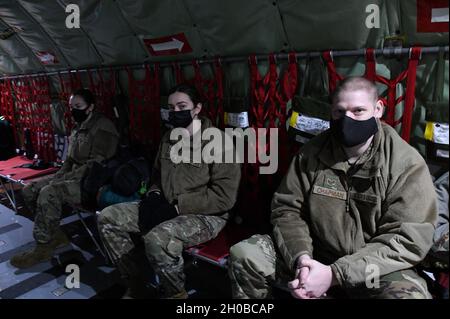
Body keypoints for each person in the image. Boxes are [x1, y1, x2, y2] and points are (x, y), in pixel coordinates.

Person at [229, 76, 437, 299]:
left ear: (378, 109)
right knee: (245, 255)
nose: (347, 120)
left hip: (372, 268)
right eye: (339, 112)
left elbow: (407, 238)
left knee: (408, 296)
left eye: (358, 111)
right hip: (315, 255)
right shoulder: (311, 153)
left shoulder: (405, 164)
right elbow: (287, 209)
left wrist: (335, 274)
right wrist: (302, 259)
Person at [97, 83, 241, 299]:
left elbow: (224, 197)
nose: (176, 112)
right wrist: (154, 195)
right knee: (108, 218)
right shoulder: (169, 138)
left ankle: (176, 295)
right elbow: (156, 176)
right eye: (171, 108)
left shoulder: (220, 142)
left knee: (158, 240)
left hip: (205, 214)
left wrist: (178, 207)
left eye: (182, 106)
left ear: (197, 108)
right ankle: (136, 284)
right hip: (165, 204)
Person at [10, 88, 119, 268]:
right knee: (29, 189)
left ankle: (43, 247)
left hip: (92, 182)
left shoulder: (103, 128)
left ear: (90, 107)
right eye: (71, 106)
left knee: (48, 193)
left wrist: (64, 179)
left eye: (78, 106)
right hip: (72, 176)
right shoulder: (78, 127)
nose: (73, 110)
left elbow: (96, 165)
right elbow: (70, 159)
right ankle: (56, 235)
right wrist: (60, 176)